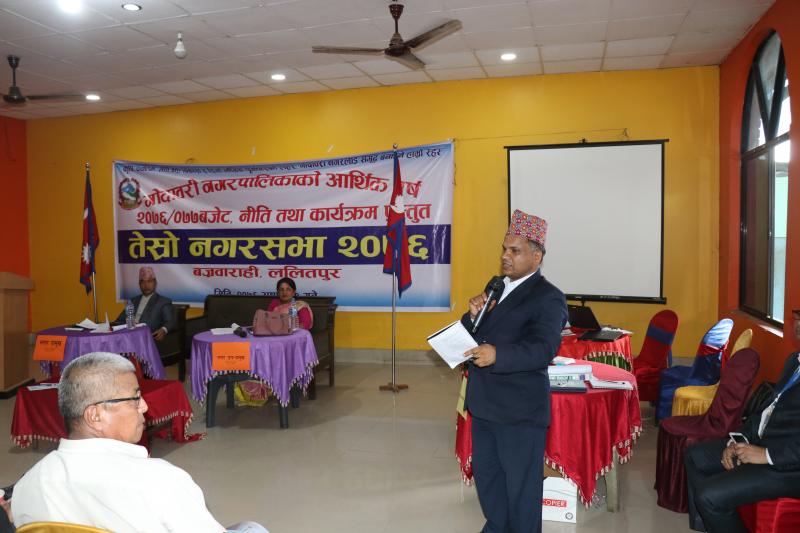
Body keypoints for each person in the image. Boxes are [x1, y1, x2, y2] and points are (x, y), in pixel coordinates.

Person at [11, 352, 227, 532]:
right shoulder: (161, 481)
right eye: (135, 398)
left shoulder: (29, 485)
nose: (144, 406)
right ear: (95, 415)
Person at [460, 209, 567, 533]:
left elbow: (543, 348)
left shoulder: (549, 297)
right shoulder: (496, 287)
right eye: (504, 249)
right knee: (489, 477)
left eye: (514, 250)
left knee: (522, 489)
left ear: (536, 257)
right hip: (484, 404)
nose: (505, 256)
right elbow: (477, 333)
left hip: (519, 411)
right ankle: (496, 526)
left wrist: (498, 355)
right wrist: (472, 317)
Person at [684, 351, 800, 533]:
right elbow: (767, 411)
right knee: (694, 455)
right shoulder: (794, 359)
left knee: (708, 496)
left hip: (789, 467)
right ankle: (709, 526)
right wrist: (738, 440)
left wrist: (766, 455)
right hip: (763, 444)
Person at [114, 266, 175, 341]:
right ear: (139, 284)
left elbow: (170, 321)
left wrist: (163, 330)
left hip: (146, 338)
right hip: (128, 335)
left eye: (149, 281)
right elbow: (119, 320)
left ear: (155, 283)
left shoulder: (163, 301)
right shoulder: (133, 301)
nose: (146, 285)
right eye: (142, 282)